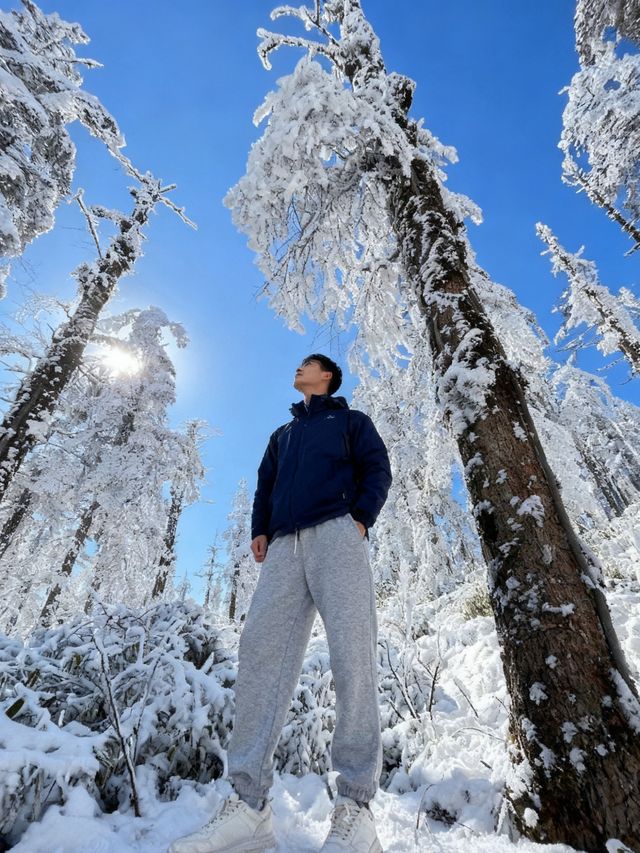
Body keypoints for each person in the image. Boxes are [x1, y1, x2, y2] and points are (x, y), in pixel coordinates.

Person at [170, 354, 392, 853]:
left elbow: (377, 468)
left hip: (336, 535)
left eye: (306, 364)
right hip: (284, 547)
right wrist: (260, 529)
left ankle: (356, 808)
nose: (297, 369)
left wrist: (359, 519)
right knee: (259, 656)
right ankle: (249, 807)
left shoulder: (351, 422)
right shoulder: (282, 435)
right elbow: (265, 486)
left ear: (327, 375)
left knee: (352, 656)